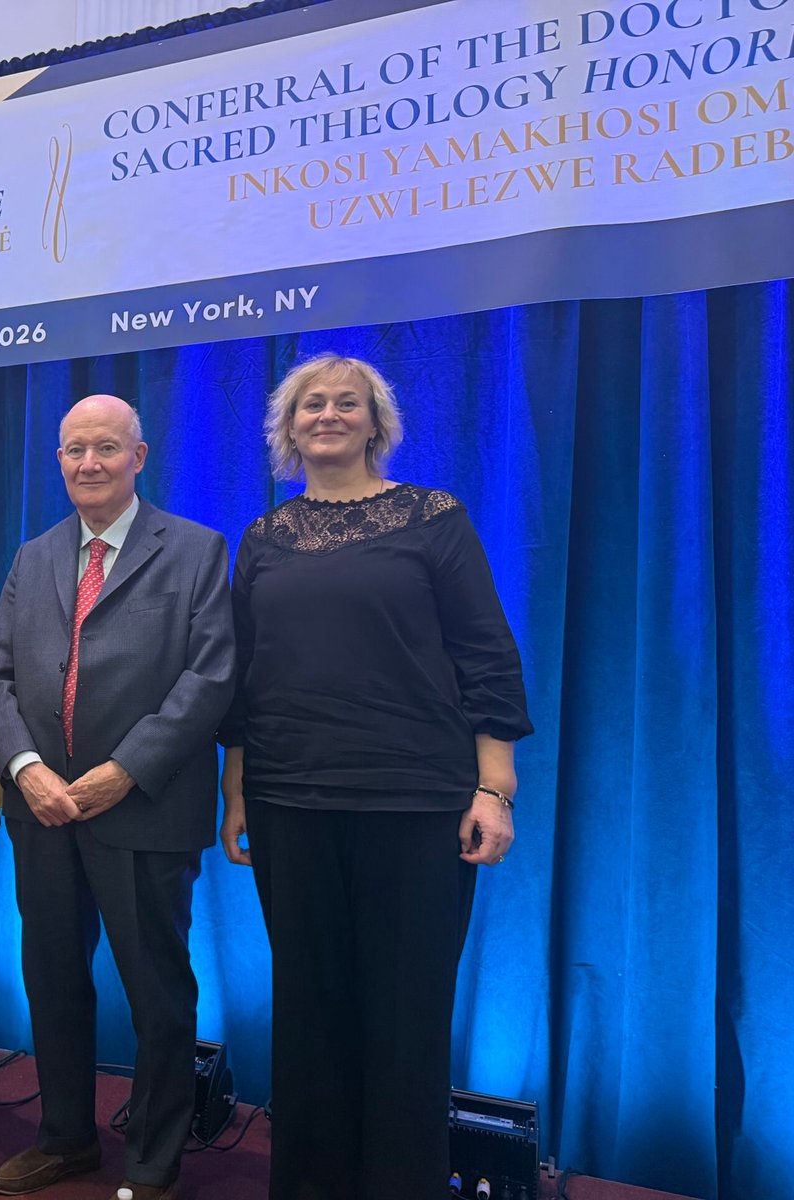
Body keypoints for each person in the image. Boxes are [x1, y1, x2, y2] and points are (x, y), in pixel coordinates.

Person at [218, 353, 533, 1199]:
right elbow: (242, 677)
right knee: (311, 1017)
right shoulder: (262, 538)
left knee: (406, 1021)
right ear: (288, 428)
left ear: (375, 423)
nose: (328, 414)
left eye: (345, 403)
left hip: (417, 805)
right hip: (290, 803)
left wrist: (493, 789)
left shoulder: (434, 518)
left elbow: (487, 657)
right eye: (310, 403)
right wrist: (235, 793)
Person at [0, 395, 235, 1200]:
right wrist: (25, 769)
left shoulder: (196, 550)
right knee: (53, 978)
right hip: (43, 810)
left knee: (158, 991)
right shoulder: (35, 555)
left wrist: (126, 768)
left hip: (145, 809)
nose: (87, 463)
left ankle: (153, 1165)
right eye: (73, 450)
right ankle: (65, 1139)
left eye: (104, 448)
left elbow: (212, 676)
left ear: (139, 455)